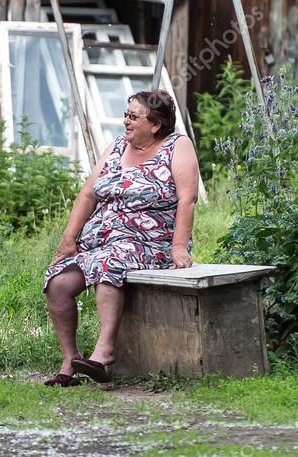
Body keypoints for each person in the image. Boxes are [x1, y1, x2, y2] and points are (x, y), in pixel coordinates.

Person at [43, 90, 199, 387]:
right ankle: (70, 360)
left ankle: (103, 353)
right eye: (126, 114)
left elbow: (187, 198)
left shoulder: (177, 146)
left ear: (155, 124)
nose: (125, 121)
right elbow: (89, 194)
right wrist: (68, 239)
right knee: (57, 282)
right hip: (101, 239)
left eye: (133, 116)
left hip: (151, 241)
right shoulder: (117, 146)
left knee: (109, 264)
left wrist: (179, 247)